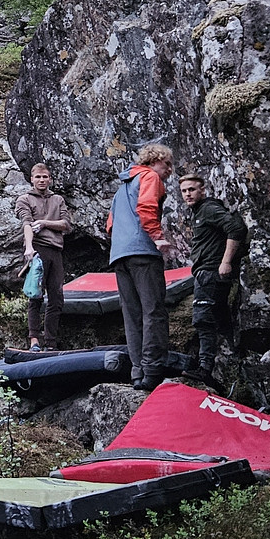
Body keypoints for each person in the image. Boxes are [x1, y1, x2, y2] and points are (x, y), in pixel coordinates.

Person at [105, 143, 175, 391]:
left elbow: (110, 225)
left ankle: (137, 373)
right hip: (143, 252)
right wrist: (157, 237)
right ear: (154, 161)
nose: (169, 170)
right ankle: (153, 369)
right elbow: (146, 206)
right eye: (167, 164)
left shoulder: (122, 188)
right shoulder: (150, 177)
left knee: (131, 314)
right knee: (153, 311)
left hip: (119, 255)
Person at [179, 174, 248, 383]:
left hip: (210, 272)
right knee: (220, 318)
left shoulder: (208, 209)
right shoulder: (199, 212)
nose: (188, 194)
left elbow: (236, 228)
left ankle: (205, 369)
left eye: (192, 189)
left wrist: (226, 261)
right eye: (184, 191)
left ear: (202, 190)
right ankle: (233, 364)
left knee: (202, 319)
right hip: (207, 272)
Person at [16, 161, 72, 350]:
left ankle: (51, 342)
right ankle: (34, 339)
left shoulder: (58, 199)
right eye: (38, 177)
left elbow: (66, 224)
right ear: (31, 179)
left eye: (45, 177)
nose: (41, 180)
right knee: (35, 295)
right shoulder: (24, 199)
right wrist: (29, 247)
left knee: (56, 297)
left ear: (50, 179)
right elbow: (26, 223)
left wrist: (44, 223)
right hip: (37, 250)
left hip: (55, 250)